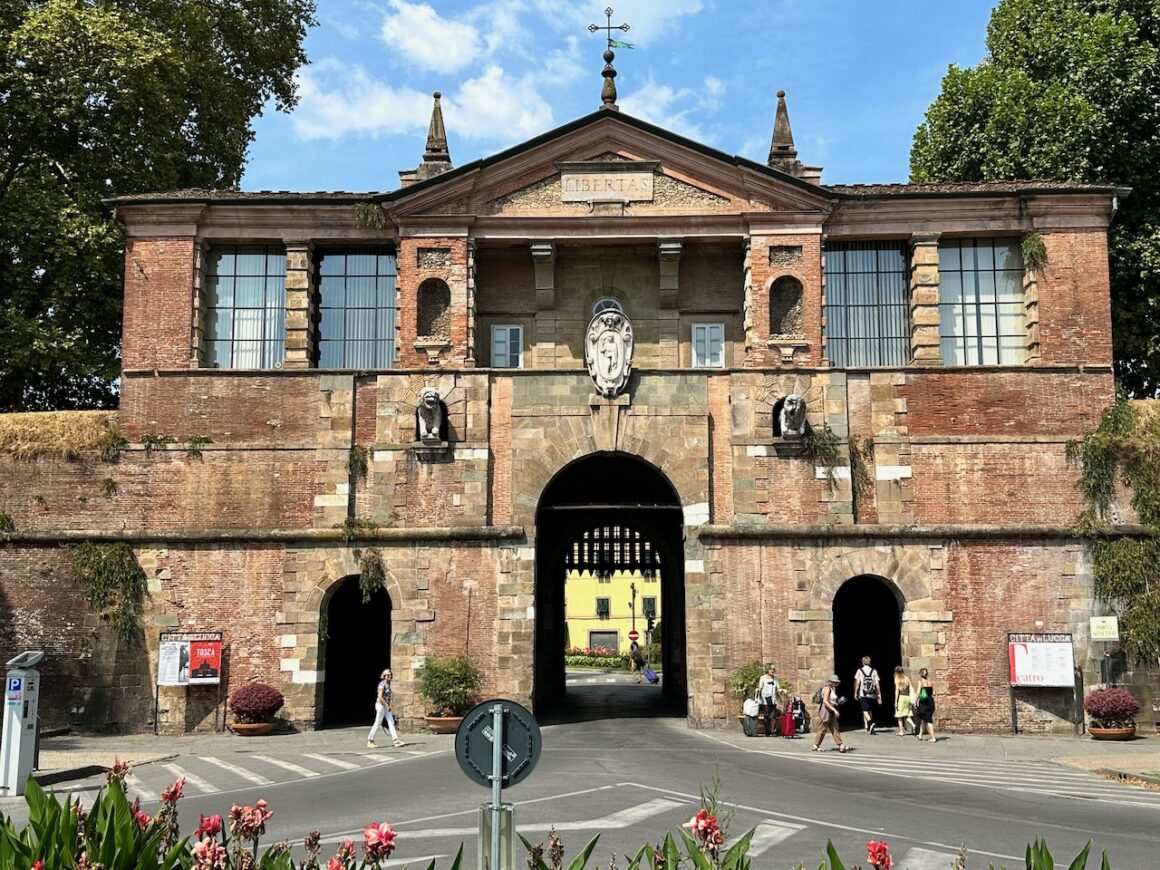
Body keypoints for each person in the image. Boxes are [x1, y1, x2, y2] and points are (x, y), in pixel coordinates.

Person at [367, 668, 405, 749]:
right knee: (377, 723)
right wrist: (387, 705)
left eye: (391, 675)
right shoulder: (382, 684)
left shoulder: (388, 684)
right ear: (384, 676)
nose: (390, 676)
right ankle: (370, 740)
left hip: (386, 706)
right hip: (381, 706)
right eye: (388, 675)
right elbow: (380, 697)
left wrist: (388, 705)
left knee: (391, 722)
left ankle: (396, 740)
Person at [812, 674, 847, 753]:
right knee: (823, 728)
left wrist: (837, 702)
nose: (837, 684)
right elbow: (825, 701)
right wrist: (834, 710)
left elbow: (831, 700)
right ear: (832, 682)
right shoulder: (827, 688)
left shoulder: (831, 688)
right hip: (827, 711)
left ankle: (840, 744)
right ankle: (816, 745)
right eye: (836, 682)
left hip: (830, 710)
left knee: (834, 728)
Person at [853, 656, 881, 734]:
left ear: (863, 662)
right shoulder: (874, 671)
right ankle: (868, 727)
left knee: (864, 710)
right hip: (872, 694)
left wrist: (855, 693)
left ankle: (870, 722)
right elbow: (877, 684)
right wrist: (879, 694)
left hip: (863, 694)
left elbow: (858, 683)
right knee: (870, 710)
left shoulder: (860, 670)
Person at [756, 663, 781, 736]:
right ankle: (767, 731)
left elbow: (778, 688)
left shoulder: (775, 679)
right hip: (765, 699)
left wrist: (782, 690)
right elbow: (760, 687)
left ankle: (773, 732)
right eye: (771, 669)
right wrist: (758, 689)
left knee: (773, 716)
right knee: (766, 716)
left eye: (773, 669)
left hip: (773, 699)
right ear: (767, 669)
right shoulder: (763, 678)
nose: (772, 671)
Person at [915, 667, 937, 742]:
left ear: (920, 674)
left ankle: (933, 737)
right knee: (923, 718)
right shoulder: (930, 681)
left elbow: (918, 692)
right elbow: (934, 693)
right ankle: (920, 734)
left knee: (928, 720)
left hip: (924, 702)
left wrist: (915, 701)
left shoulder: (920, 681)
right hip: (930, 701)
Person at [893, 666, 915, 736]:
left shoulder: (897, 679)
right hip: (907, 697)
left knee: (899, 715)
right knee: (907, 714)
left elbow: (897, 691)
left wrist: (896, 702)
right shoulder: (907, 678)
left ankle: (901, 731)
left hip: (901, 697)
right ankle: (913, 725)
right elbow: (910, 687)